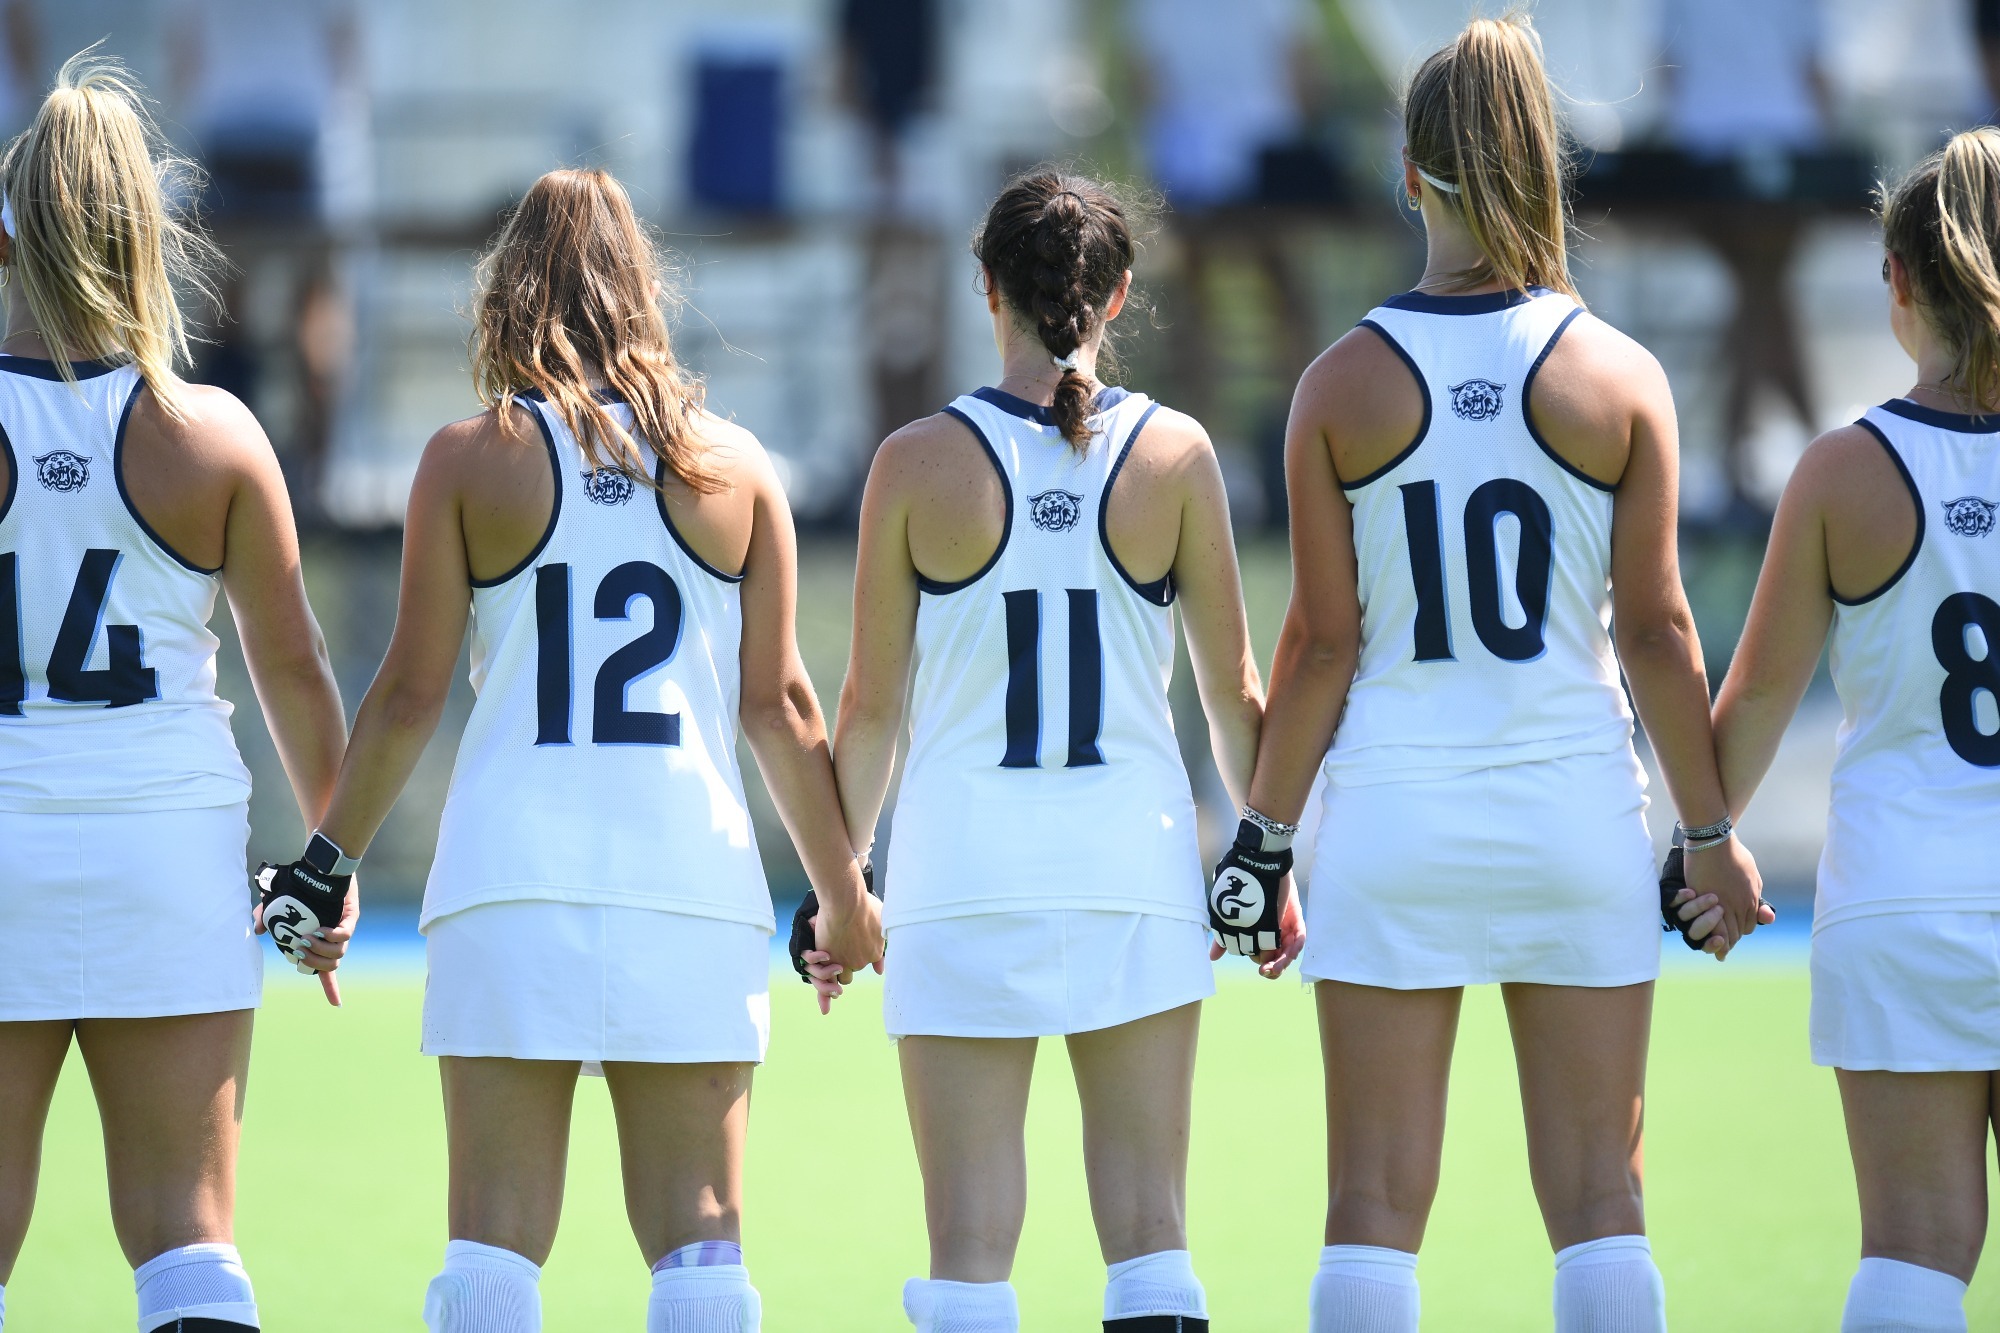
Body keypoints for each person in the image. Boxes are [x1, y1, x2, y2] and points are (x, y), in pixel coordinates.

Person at [255, 168, 882, 1333]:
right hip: (690, 886)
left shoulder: (465, 457)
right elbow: (781, 705)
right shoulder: (737, 468)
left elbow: (405, 696)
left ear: (509, 290)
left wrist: (322, 864)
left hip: (509, 882)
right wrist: (845, 894)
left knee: (491, 1240)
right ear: (643, 288)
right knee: (700, 1240)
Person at [1222, 17, 1767, 1331]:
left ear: (1409, 175)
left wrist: (1261, 840)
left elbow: (1321, 645)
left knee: (1370, 1212)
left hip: (1393, 819)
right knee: (1598, 1202)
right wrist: (1711, 836)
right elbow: (1658, 632)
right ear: (1544, 168)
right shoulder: (1620, 376)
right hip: (1573, 813)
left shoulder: (1339, 382)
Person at [819, 169, 1287, 1333]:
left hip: (960, 881)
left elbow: (869, 710)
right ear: (1117, 295)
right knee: (1149, 1238)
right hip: (1130, 873)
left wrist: (839, 890)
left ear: (985, 286)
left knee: (969, 1250)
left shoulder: (916, 461)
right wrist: (1269, 858)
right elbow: (1235, 694)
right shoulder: (1175, 453)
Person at [0, 55, 347, 1333]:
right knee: (188, 1239)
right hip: (164, 845)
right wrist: (331, 854)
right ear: (147, 238)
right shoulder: (213, 434)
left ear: (7, 235)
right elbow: (295, 666)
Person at [1707, 127, 2000, 1333]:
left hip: (1902, 897)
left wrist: (1692, 843)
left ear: (1896, 280)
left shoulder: (1840, 471)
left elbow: (1756, 704)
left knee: (1912, 1255)